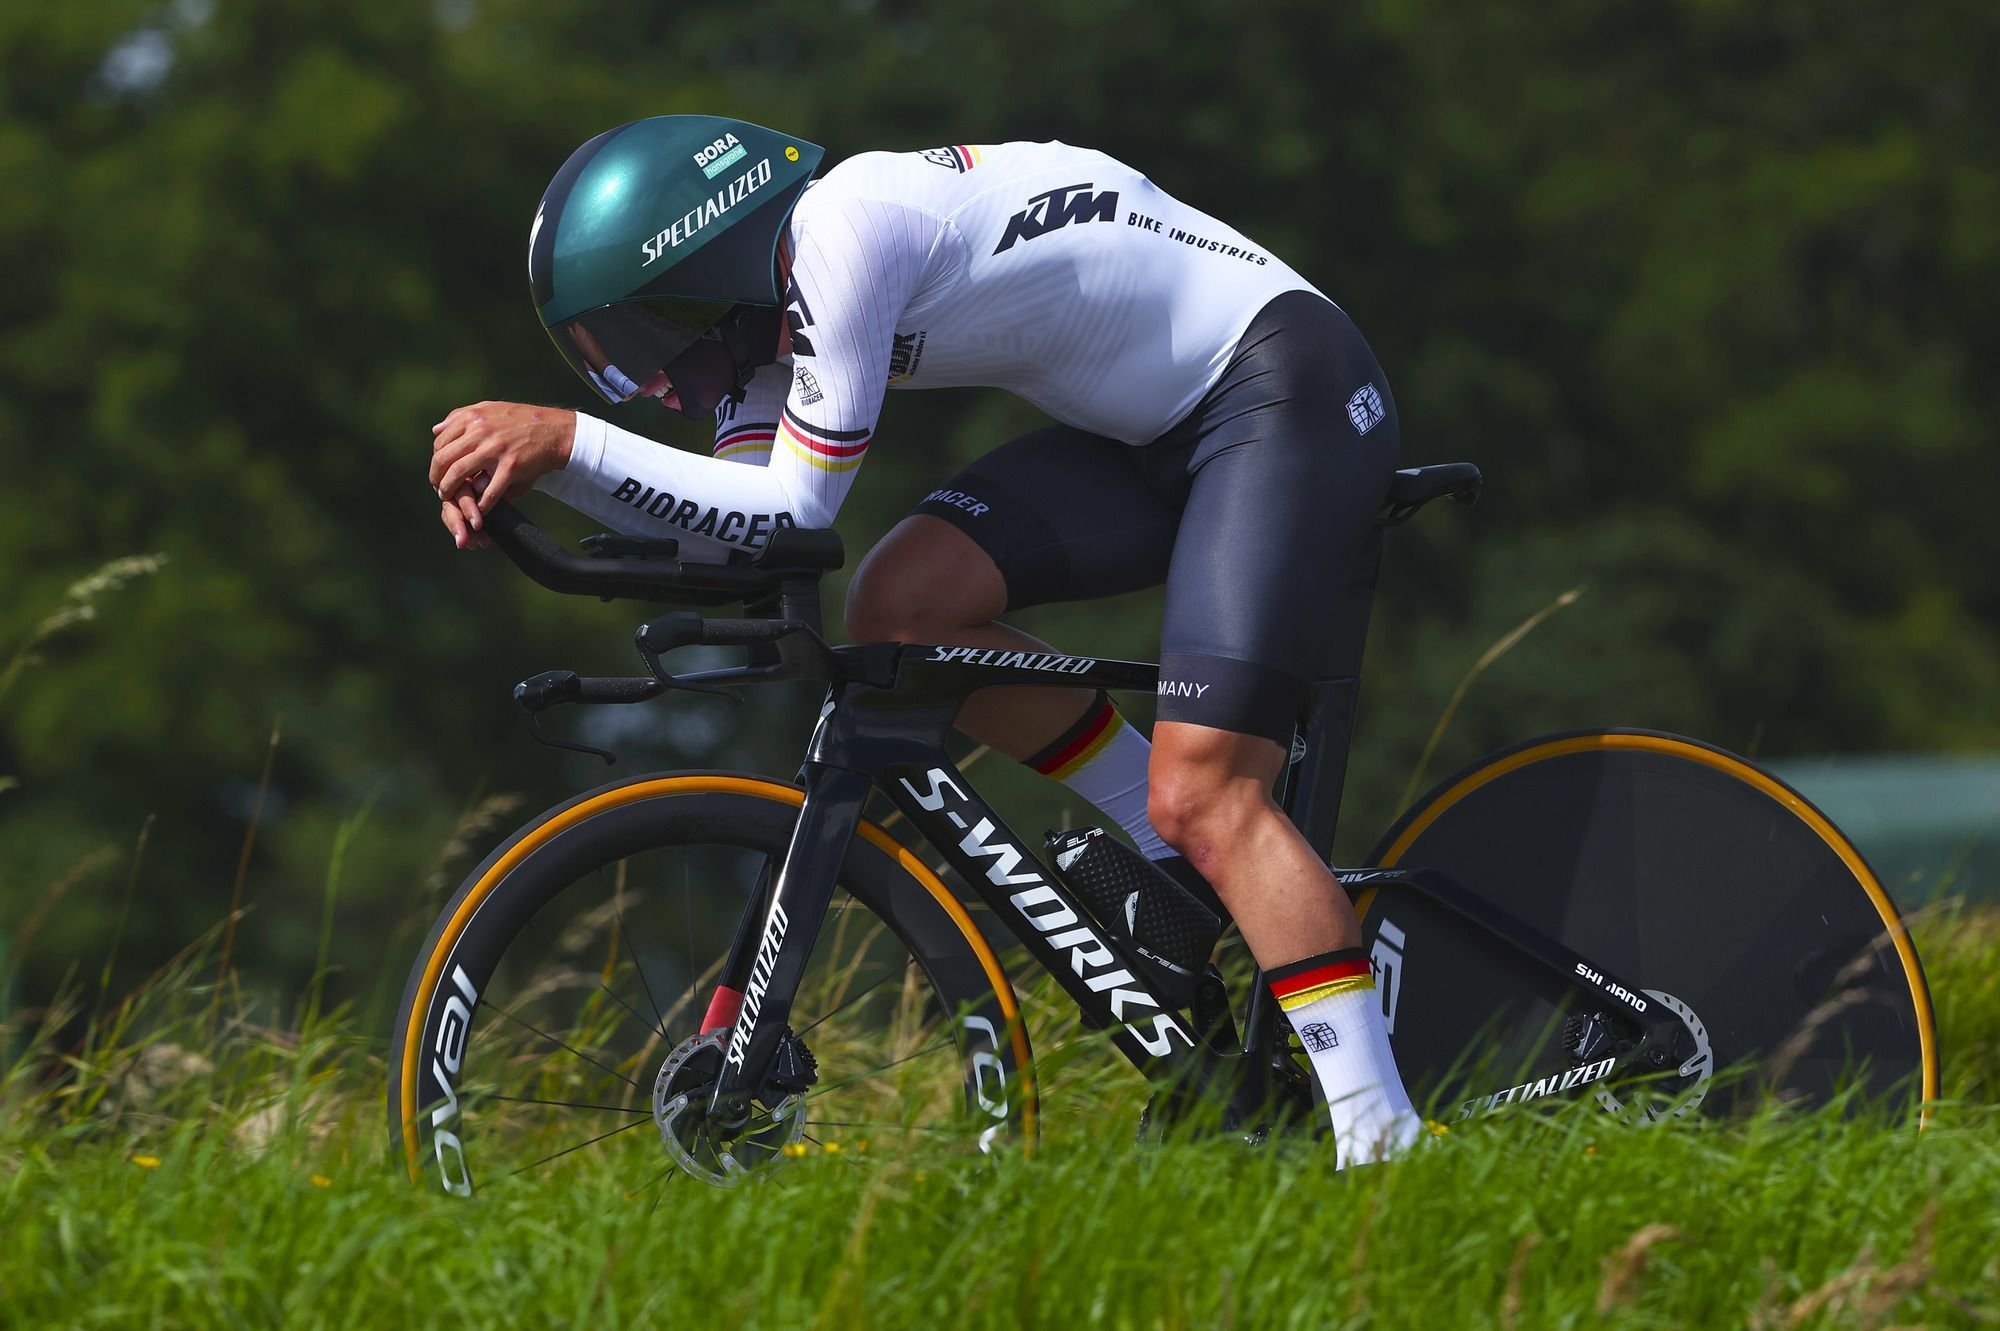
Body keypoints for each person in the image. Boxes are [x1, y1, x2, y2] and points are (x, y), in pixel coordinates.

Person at [428, 115, 1421, 1163]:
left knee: (1210, 792)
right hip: (1149, 431)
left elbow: (795, 512)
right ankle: (1164, 845)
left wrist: (567, 442)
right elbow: (736, 529)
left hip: (1278, 389)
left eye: (637, 338)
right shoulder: (773, 327)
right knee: (900, 601)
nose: (652, 381)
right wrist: (532, 495)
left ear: (700, 259)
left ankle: (1383, 1145)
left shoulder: (844, 231)